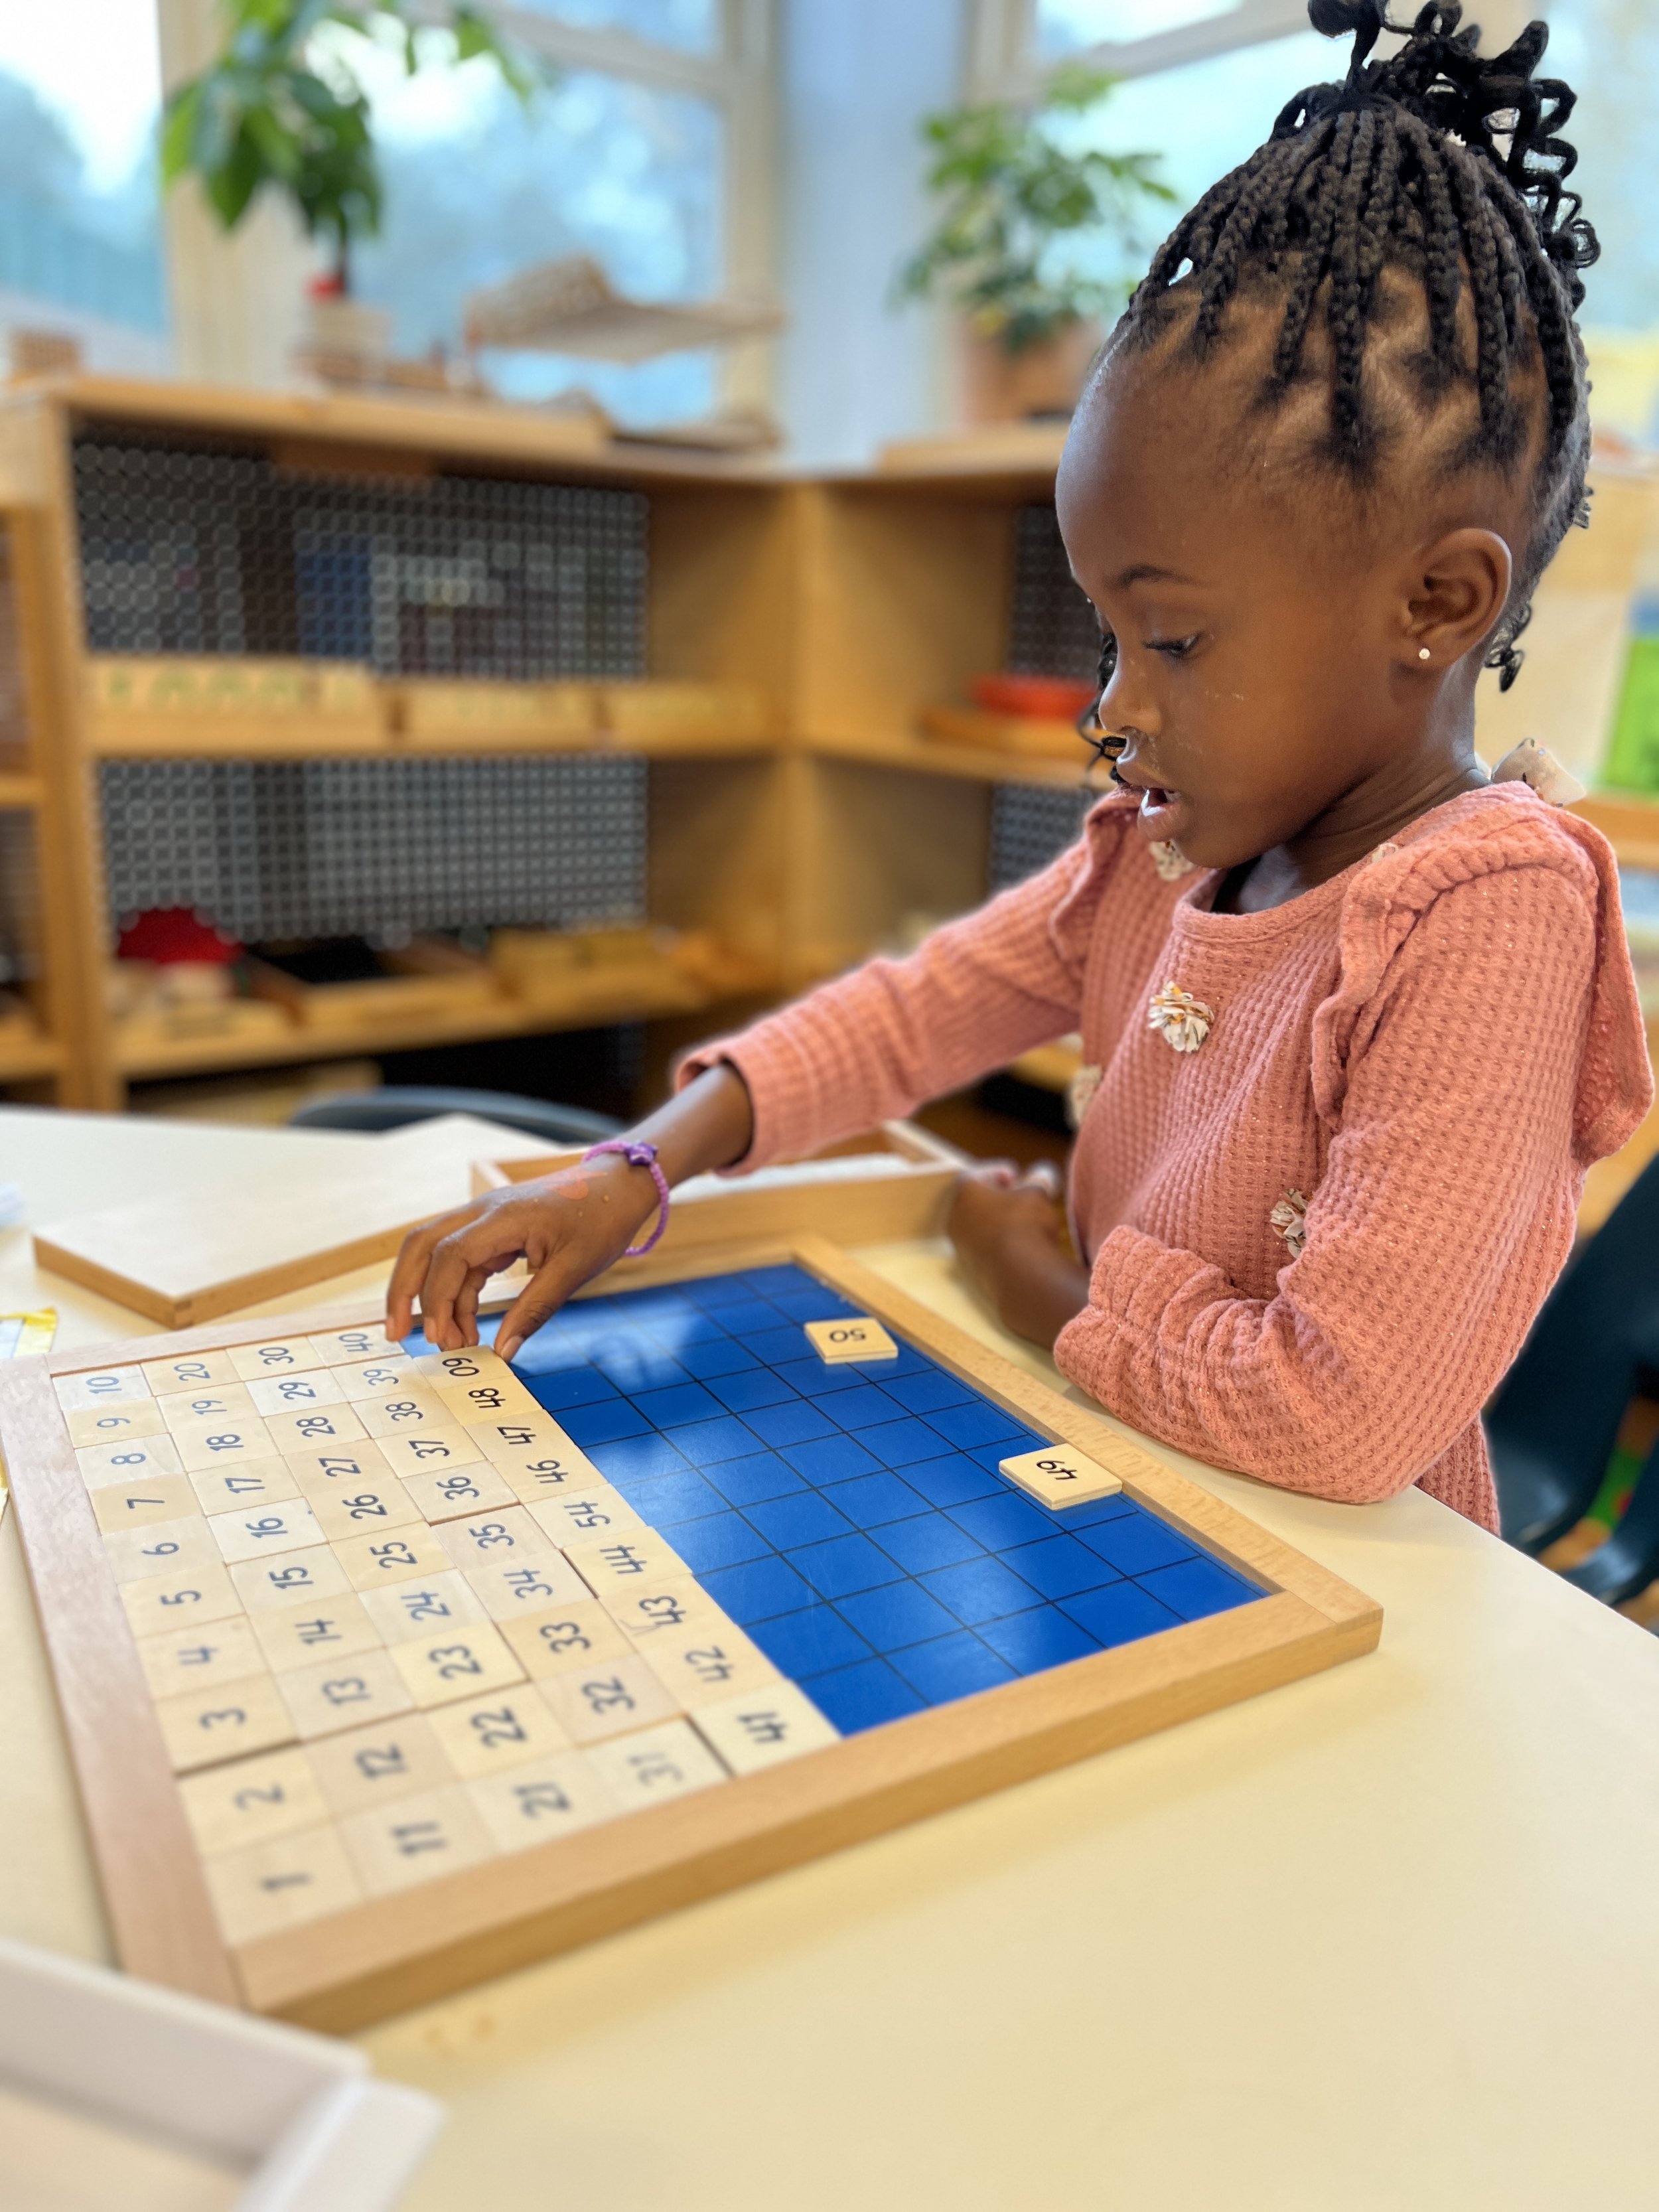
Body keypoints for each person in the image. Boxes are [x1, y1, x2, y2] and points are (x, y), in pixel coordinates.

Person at [390, 0, 1652, 1532]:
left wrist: (1032, 1277)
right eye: (1107, 636)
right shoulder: (1163, 857)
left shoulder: (1484, 916)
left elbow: (1330, 1416)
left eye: (1170, 638)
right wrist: (636, 1169)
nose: (1110, 707)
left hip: (1357, 1585)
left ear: (1435, 603)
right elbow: (905, 1012)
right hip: (1124, 1481)